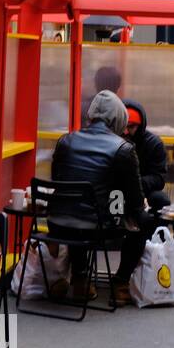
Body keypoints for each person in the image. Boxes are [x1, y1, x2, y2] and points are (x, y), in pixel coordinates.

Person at [48, 90, 151, 307]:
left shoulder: (65, 141)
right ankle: (121, 283)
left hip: (57, 224)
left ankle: (80, 280)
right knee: (142, 222)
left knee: (79, 212)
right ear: (118, 119)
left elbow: (57, 180)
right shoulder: (123, 148)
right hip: (95, 227)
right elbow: (135, 201)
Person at [122, 99, 170, 211]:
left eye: (131, 127)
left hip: (143, 191)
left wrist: (135, 185)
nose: (126, 131)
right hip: (116, 191)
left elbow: (159, 178)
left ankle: (155, 228)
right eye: (123, 126)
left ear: (140, 126)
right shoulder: (113, 139)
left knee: (161, 200)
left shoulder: (153, 144)